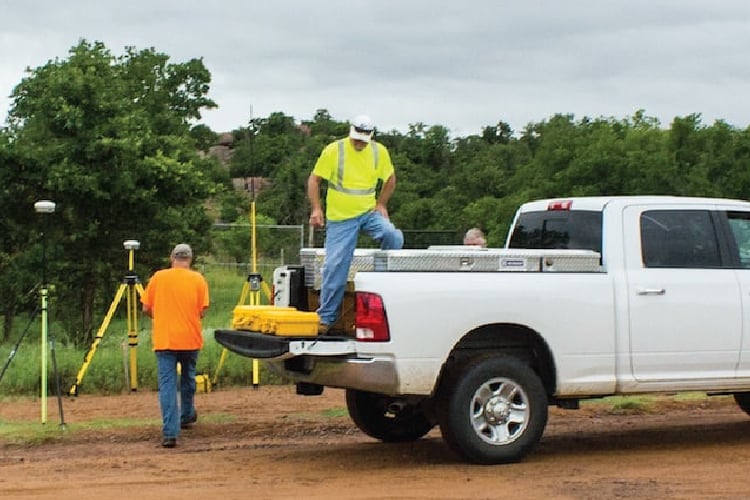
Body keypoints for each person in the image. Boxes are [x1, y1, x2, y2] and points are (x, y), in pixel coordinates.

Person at [307, 114, 403, 334]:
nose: (359, 142)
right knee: (335, 264)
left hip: (368, 213)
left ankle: (383, 284)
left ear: (370, 136)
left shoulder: (379, 152)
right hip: (341, 218)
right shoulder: (335, 150)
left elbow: (390, 179)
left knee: (393, 236)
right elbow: (314, 180)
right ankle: (326, 317)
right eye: (356, 137)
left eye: (363, 138)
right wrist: (317, 208)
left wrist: (381, 204)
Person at [141, 243, 210, 448]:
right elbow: (203, 311)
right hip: (190, 337)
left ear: (172, 258)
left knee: (167, 385)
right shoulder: (198, 279)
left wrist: (160, 316)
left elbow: (145, 307)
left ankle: (170, 432)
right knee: (189, 377)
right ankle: (187, 414)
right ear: (189, 259)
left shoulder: (158, 278)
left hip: (165, 339)